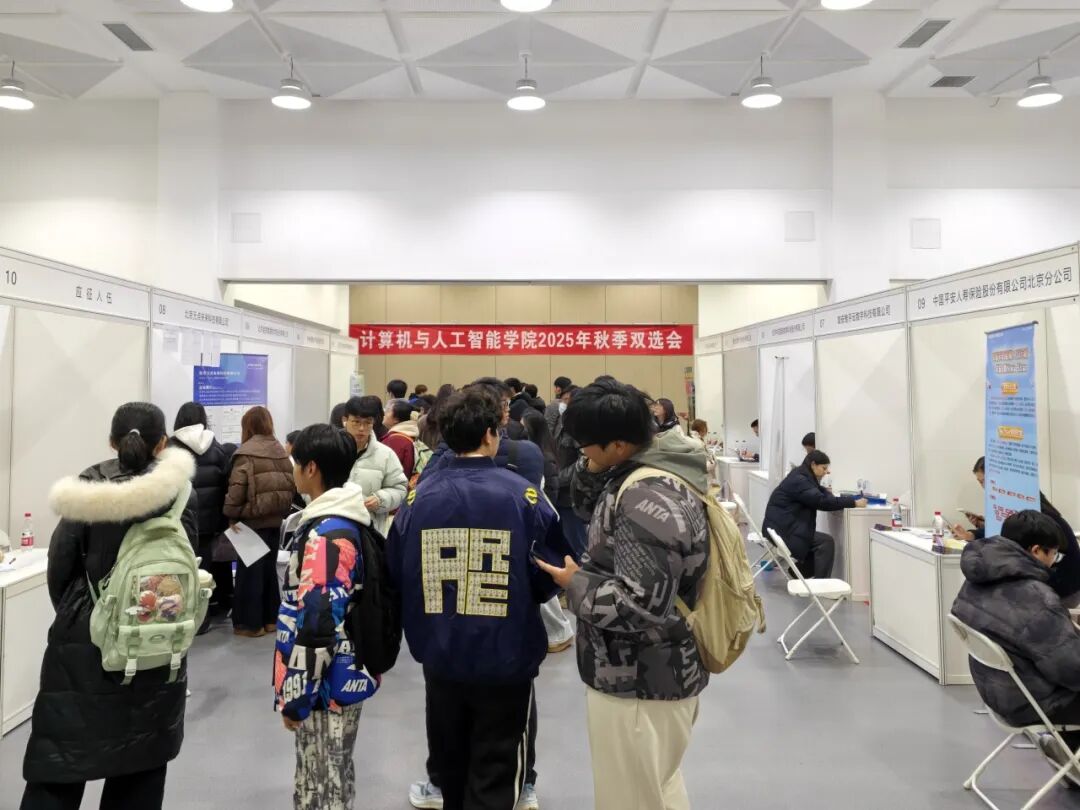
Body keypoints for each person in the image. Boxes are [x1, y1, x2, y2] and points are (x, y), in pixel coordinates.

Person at [388, 388, 569, 810]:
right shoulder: (524, 496)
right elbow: (551, 574)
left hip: (440, 652)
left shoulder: (419, 497)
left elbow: (397, 569)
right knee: (498, 770)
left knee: (451, 764)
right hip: (505, 654)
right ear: (491, 434)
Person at [535, 379, 709, 810]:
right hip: (648, 672)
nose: (581, 454)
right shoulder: (647, 471)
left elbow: (639, 604)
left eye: (585, 446)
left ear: (617, 444)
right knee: (657, 789)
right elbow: (586, 500)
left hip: (638, 678)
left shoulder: (646, 500)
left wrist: (574, 583)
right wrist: (594, 465)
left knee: (630, 797)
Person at [21, 402, 198, 810]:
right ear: (162, 443)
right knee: (141, 768)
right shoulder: (178, 494)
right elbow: (186, 563)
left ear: (111, 442)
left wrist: (83, 614)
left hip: (83, 645)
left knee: (61, 763)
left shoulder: (86, 493)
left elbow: (60, 569)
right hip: (154, 639)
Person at [275, 424, 380, 810]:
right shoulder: (343, 520)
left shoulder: (327, 537)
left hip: (327, 683)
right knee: (329, 772)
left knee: (322, 782)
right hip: (340, 673)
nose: (293, 469)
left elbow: (319, 625)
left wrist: (297, 696)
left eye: (296, 462)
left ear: (311, 468)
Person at [951, 510, 1080, 782]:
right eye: (1054, 555)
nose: (1054, 563)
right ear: (1036, 551)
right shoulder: (1036, 598)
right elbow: (1072, 670)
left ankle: (1070, 761)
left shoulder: (975, 579)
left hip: (996, 691)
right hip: (1033, 701)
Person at [953, 456, 1080, 601]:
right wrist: (973, 534)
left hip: (1062, 587)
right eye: (980, 482)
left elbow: (1012, 537)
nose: (984, 488)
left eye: (984, 482)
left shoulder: (1035, 516)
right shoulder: (1021, 509)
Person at [224, 406, 296, 638]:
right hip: (276, 521)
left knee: (249, 575)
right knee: (268, 571)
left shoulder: (245, 454)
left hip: (251, 522)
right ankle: (271, 620)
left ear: (248, 427)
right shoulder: (281, 452)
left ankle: (250, 624)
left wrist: (231, 514)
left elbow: (237, 489)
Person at [169, 402, 236, 632]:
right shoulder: (215, 447)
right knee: (205, 570)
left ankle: (182, 616)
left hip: (181, 520)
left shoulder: (171, 447)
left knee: (181, 570)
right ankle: (204, 617)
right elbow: (225, 483)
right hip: (210, 521)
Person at [761, 450, 867, 579]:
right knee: (825, 542)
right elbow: (821, 501)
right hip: (784, 530)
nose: (826, 472)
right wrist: (853, 503)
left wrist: (830, 495)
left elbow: (819, 491)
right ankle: (820, 584)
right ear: (813, 465)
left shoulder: (800, 474)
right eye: (824, 468)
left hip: (781, 526)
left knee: (818, 541)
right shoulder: (801, 480)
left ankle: (799, 572)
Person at [343, 395, 408, 536]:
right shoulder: (331, 449)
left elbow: (400, 488)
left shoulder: (385, 454)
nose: (361, 428)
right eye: (356, 422)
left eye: (368, 423)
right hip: (333, 525)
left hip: (370, 531)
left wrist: (381, 499)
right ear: (345, 420)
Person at [554, 385, 589, 558]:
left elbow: (585, 460)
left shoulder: (579, 428)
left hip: (573, 495)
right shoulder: (562, 424)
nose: (563, 403)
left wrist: (559, 478)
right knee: (566, 545)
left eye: (567, 400)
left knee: (578, 546)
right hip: (560, 494)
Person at [521, 409, 558, 506]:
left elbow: (551, 492)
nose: (520, 432)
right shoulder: (525, 450)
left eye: (523, 428)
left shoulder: (546, 458)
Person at [382, 398, 418, 481]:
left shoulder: (396, 440)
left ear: (396, 419)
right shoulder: (407, 435)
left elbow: (387, 469)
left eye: (388, 410)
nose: (384, 413)